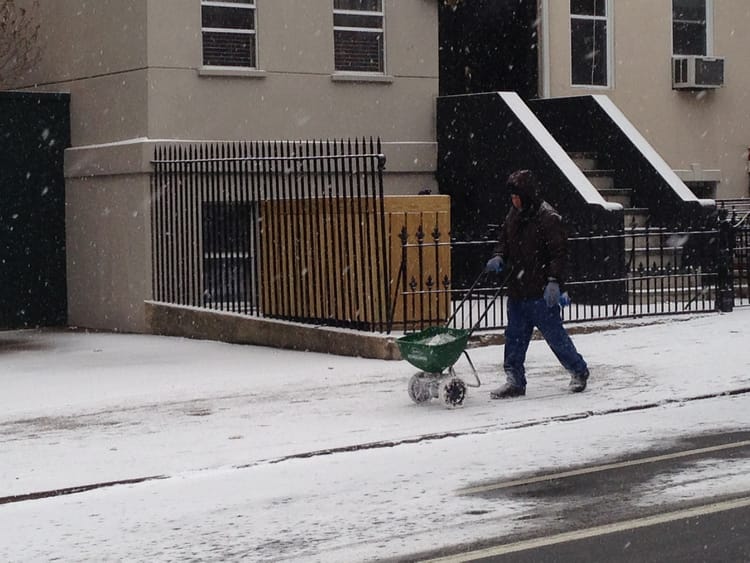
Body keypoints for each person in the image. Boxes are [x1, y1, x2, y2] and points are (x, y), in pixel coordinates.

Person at [484, 169, 589, 398]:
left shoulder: (548, 218)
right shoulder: (514, 215)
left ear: (527, 195)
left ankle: (578, 371)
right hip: (518, 289)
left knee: (554, 336)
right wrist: (499, 255)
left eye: (517, 196)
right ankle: (514, 380)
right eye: (512, 197)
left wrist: (554, 281)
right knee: (514, 337)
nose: (513, 201)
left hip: (541, 292)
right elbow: (504, 240)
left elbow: (558, 254)